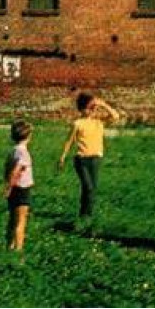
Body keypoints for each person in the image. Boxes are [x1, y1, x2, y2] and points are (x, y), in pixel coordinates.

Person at [59, 91, 120, 222]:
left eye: (94, 108)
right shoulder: (78, 124)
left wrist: (103, 104)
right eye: (90, 107)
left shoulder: (99, 122)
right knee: (88, 187)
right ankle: (85, 214)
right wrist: (63, 156)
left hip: (96, 158)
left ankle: (87, 214)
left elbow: (116, 116)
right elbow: (69, 141)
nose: (93, 110)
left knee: (91, 188)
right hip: (81, 159)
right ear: (82, 109)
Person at [4, 120, 34, 250]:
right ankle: (18, 248)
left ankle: (9, 244)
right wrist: (9, 186)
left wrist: (7, 184)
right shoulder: (24, 153)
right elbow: (17, 170)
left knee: (12, 219)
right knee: (21, 220)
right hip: (21, 188)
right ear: (29, 136)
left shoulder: (13, 151)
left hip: (14, 188)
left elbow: (7, 169)